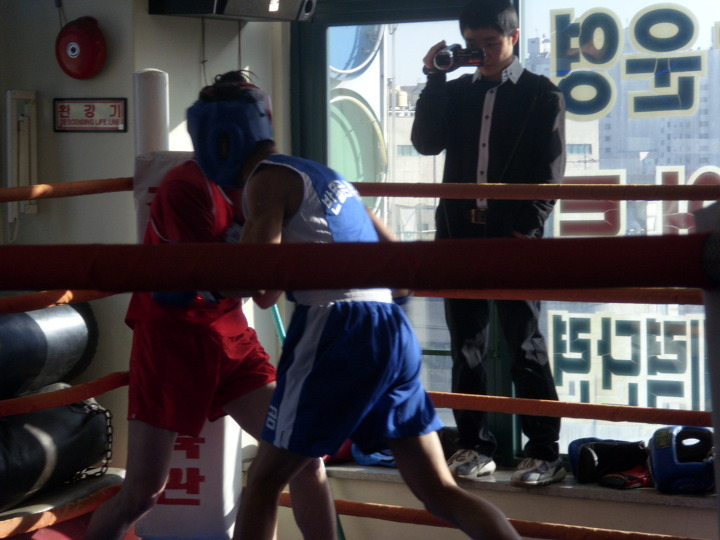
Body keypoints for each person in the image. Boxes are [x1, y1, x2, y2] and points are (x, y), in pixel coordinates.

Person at [186, 71, 522, 540]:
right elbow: (399, 268)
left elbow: (259, 287)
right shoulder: (326, 175)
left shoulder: (265, 182)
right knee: (438, 490)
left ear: (217, 139)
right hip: (392, 327)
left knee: (263, 481)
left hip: (336, 326)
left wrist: (209, 275)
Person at [83, 74, 337, 540]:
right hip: (172, 343)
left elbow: (262, 291)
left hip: (231, 338)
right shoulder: (184, 186)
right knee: (143, 492)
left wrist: (279, 256)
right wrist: (271, 263)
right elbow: (216, 284)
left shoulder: (262, 184)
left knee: (303, 457)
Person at [411, 0, 567, 487]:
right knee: (466, 344)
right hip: (459, 231)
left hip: (514, 236)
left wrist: (527, 227)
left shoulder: (542, 94)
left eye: (491, 43)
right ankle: (475, 445)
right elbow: (425, 143)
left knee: (525, 342)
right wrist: (434, 79)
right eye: (472, 44)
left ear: (513, 38)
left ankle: (543, 452)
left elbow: (550, 172)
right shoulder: (456, 91)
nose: (481, 52)